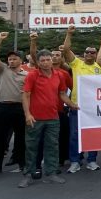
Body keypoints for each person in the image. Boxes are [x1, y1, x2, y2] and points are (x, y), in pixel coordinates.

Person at [19, 49, 70, 188]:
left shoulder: (59, 75)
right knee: (31, 146)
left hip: (53, 117)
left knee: (52, 146)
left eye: (48, 60)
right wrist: (27, 114)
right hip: (35, 118)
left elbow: (62, 94)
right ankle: (28, 174)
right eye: (43, 60)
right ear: (39, 62)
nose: (46, 62)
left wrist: (73, 105)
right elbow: (26, 95)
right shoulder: (32, 75)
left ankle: (51, 173)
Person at [62, 27, 101, 170]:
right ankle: (75, 161)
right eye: (87, 52)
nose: (89, 54)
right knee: (74, 135)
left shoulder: (98, 68)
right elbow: (66, 49)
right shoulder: (76, 63)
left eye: (92, 52)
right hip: (77, 106)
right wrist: (69, 33)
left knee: (93, 134)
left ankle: (92, 160)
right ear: (83, 54)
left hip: (93, 107)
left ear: (95, 55)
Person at [0, 32, 29, 175]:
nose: (11, 61)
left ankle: (22, 164)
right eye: (9, 59)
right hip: (3, 107)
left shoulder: (27, 75)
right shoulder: (3, 70)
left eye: (14, 59)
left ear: (20, 60)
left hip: (19, 108)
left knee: (21, 139)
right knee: (0, 139)